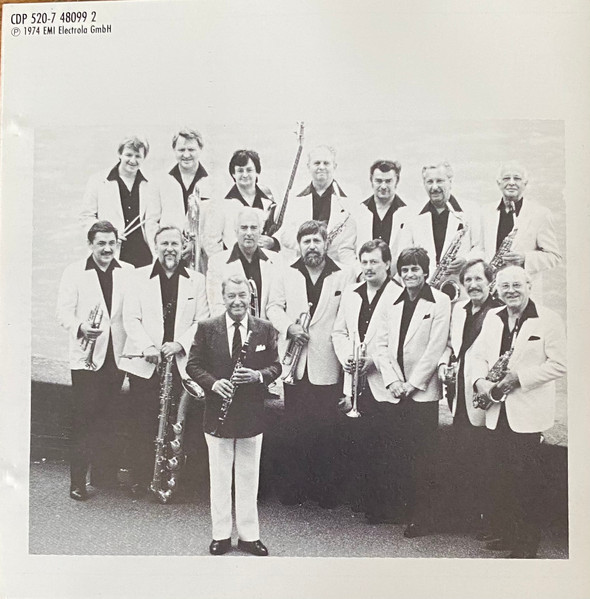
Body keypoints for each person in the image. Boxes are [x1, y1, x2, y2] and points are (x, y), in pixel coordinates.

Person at [472, 265, 566, 558]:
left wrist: (519, 378)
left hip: (527, 412)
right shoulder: (492, 317)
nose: (511, 291)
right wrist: (480, 382)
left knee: (526, 483)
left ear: (529, 286)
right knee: (503, 478)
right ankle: (509, 535)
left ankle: (527, 545)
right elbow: (477, 355)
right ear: (497, 290)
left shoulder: (548, 319)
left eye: (517, 285)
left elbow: (561, 364)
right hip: (496, 410)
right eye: (505, 286)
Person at [186, 275, 281, 556]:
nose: (237, 301)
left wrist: (258, 376)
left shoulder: (264, 328)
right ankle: (221, 535)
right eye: (231, 296)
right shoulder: (207, 327)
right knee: (220, 478)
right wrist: (214, 384)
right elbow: (193, 365)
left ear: (250, 297)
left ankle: (250, 537)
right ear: (223, 298)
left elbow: (276, 366)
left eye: (242, 295)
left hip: (251, 413)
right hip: (218, 413)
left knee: (249, 478)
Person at [267, 220, 357, 507]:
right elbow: (273, 307)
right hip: (296, 363)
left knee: (326, 428)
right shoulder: (286, 272)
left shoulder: (344, 275)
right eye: (306, 242)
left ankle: (325, 491)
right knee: (295, 426)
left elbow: (348, 315)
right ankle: (295, 488)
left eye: (317, 241)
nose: (312, 246)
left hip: (328, 361)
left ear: (326, 244)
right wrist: (289, 327)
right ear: (299, 245)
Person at [119, 225, 209, 496]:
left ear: (183, 248)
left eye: (175, 244)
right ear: (155, 247)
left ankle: (173, 480)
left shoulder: (197, 280)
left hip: (178, 362)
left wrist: (179, 344)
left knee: (177, 423)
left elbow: (201, 320)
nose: (170, 249)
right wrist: (148, 346)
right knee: (142, 420)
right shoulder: (137, 277)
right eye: (164, 244)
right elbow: (130, 318)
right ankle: (141, 478)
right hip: (147, 362)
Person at [374, 246, 451, 537]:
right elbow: (380, 345)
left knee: (423, 456)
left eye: (415, 269)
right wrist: (393, 381)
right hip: (395, 389)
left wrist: (412, 383)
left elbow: (436, 347)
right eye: (404, 269)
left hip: (422, 391)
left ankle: (423, 517)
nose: (409, 274)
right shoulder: (390, 300)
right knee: (398, 452)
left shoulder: (440, 301)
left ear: (426, 271)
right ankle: (400, 510)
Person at [56, 221, 134, 500]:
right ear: (90, 245)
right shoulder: (74, 271)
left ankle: (104, 476)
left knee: (110, 417)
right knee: (84, 420)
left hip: (116, 356)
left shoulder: (128, 271)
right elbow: (62, 313)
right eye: (101, 243)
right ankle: (77, 481)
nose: (107, 248)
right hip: (86, 357)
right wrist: (80, 327)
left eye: (112, 243)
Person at [332, 239, 401, 523]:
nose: (369, 267)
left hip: (382, 376)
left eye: (375, 261)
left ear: (387, 264)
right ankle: (362, 498)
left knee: (383, 442)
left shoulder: (398, 294)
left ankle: (381, 505)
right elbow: (339, 332)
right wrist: (347, 357)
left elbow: (399, 340)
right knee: (360, 439)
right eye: (365, 262)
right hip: (355, 376)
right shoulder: (351, 292)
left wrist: (373, 361)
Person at [437, 258, 501, 532]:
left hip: (485, 393)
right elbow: (452, 346)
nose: (473, 285)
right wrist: (443, 364)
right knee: (463, 453)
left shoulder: (499, 312)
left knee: (487, 458)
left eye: (479, 279)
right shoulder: (460, 309)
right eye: (468, 280)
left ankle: (488, 519)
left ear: (490, 282)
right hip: (460, 394)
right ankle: (467, 515)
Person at [479, 162, 562, 299]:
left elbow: (554, 256)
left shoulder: (540, 214)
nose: (511, 183)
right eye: (506, 178)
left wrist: (525, 258)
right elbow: (480, 248)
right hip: (491, 290)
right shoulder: (485, 211)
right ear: (498, 183)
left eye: (517, 178)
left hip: (523, 293)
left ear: (525, 183)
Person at [144, 127, 222, 270]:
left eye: (191, 149)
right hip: (168, 256)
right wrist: (161, 250)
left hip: (200, 259)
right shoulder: (160, 182)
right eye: (181, 150)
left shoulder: (213, 183)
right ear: (174, 150)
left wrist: (195, 246)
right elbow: (151, 222)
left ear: (200, 149)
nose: (186, 155)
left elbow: (215, 226)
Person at [400, 162, 482, 298]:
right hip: (424, 290)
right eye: (429, 182)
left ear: (450, 182)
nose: (434, 187)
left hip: (460, 290)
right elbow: (403, 257)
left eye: (439, 181)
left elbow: (481, 249)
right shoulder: (412, 217)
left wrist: (466, 260)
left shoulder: (471, 211)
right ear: (424, 184)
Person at [276, 145, 357, 265]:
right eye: (317, 163)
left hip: (337, 265)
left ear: (334, 166)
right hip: (304, 264)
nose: (321, 167)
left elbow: (351, 241)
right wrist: (312, 247)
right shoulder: (295, 196)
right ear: (308, 166)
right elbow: (286, 235)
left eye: (326, 163)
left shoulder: (349, 198)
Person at [80, 136, 153, 267]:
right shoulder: (98, 181)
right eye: (128, 155)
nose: (133, 160)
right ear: (120, 154)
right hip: (110, 252)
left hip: (143, 255)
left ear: (144, 158)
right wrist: (108, 235)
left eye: (138, 156)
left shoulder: (151, 183)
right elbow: (86, 216)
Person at [206, 207, 281, 319]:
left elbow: (276, 305)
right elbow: (217, 307)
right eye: (244, 228)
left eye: (253, 228)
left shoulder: (276, 260)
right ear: (236, 231)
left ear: (260, 231)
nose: (249, 233)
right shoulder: (217, 262)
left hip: (267, 328)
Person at [352, 160, 409, 269]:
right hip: (364, 275)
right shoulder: (358, 211)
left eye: (388, 181)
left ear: (397, 181)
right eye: (378, 181)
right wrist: (359, 273)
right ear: (371, 180)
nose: (383, 186)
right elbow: (346, 249)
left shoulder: (409, 213)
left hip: (396, 277)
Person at [219, 149, 279, 252]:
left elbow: (277, 232)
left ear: (257, 172)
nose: (245, 175)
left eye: (249, 170)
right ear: (233, 174)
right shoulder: (225, 205)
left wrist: (273, 242)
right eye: (240, 171)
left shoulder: (268, 201)